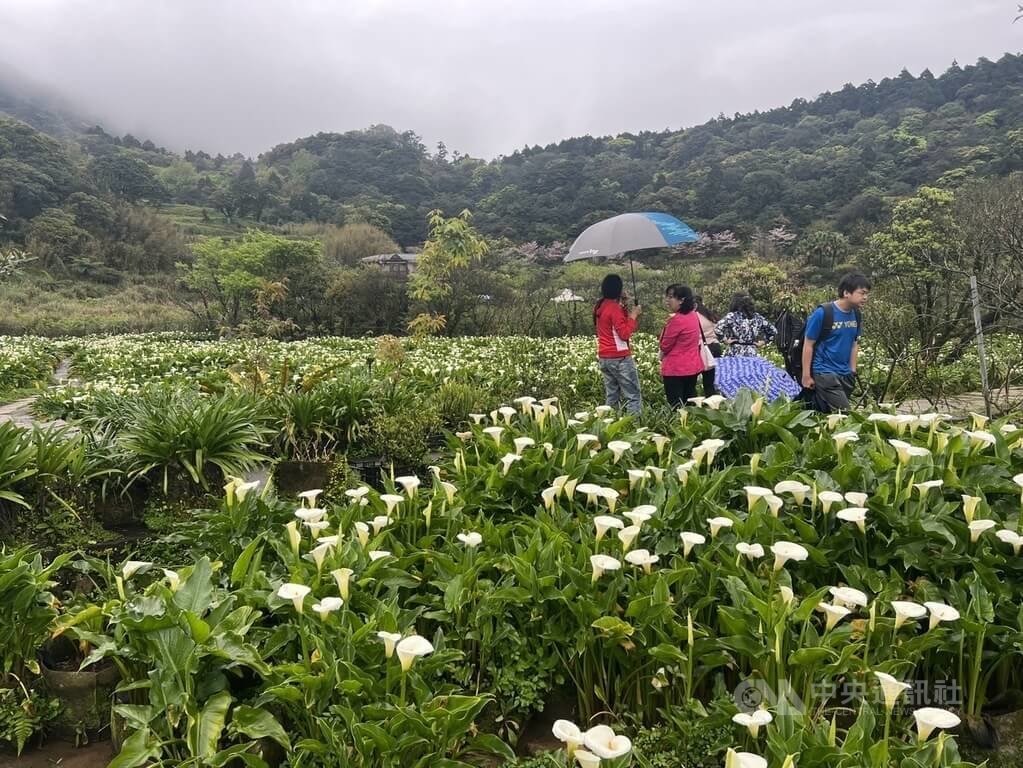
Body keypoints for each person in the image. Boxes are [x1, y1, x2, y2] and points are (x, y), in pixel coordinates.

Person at [801, 272, 871, 413]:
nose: (865, 297)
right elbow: (808, 345)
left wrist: (852, 370)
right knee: (845, 414)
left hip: (845, 374)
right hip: (824, 372)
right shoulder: (823, 313)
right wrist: (806, 376)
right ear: (846, 292)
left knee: (828, 414)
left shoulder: (856, 314)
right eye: (862, 293)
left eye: (867, 294)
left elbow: (854, 343)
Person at [593, 274, 642, 414]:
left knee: (612, 396)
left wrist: (623, 303)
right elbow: (624, 333)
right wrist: (634, 315)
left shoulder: (600, 306)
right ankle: (634, 428)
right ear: (618, 290)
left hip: (604, 357)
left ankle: (609, 425)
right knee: (633, 396)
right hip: (619, 357)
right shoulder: (614, 308)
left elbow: (614, 324)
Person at [659, 284, 704, 408]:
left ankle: (680, 426)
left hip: (675, 369)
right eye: (667, 297)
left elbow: (665, 346)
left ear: (682, 300)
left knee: (676, 406)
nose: (667, 300)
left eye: (671, 297)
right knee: (690, 401)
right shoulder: (693, 315)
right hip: (692, 367)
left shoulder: (676, 320)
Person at [693, 295, 720, 396]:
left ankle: (696, 403)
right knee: (709, 380)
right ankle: (711, 402)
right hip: (715, 347)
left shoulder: (694, 316)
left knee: (693, 378)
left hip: (701, 348)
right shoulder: (709, 314)